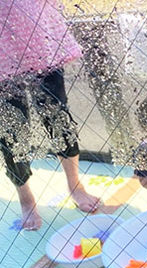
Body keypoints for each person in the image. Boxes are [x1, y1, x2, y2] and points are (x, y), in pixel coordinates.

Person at [0, 0, 100, 230]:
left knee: (57, 115)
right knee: (10, 129)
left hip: (37, 30)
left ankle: (75, 185)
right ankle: (25, 197)